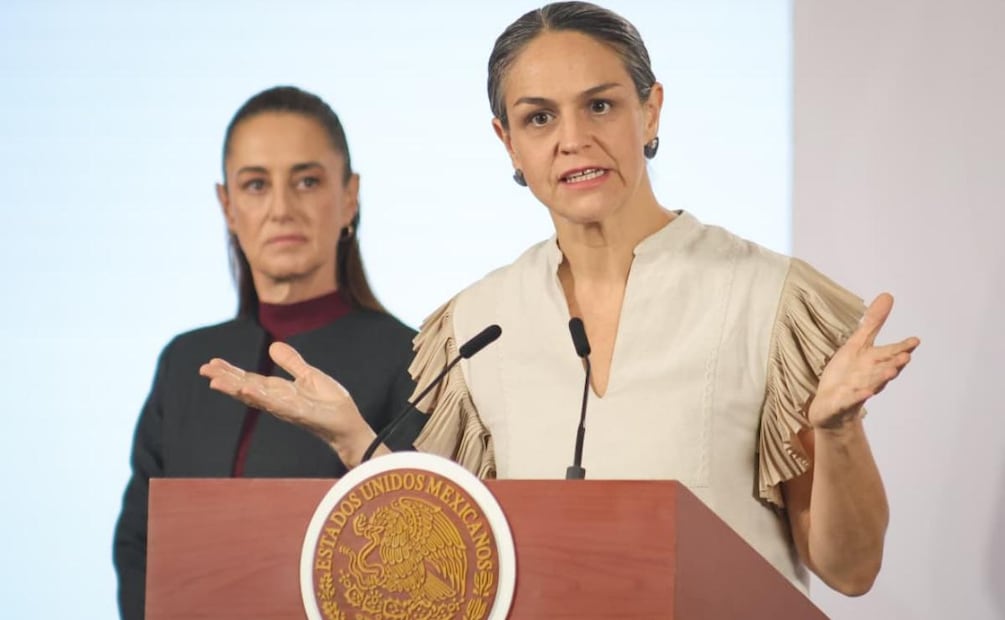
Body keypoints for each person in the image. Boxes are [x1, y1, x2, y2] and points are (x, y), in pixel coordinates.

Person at [201, 3, 919, 597]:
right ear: (507, 142)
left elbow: (850, 570)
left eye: (600, 106)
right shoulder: (475, 325)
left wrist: (836, 431)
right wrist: (354, 440)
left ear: (650, 111)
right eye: (539, 118)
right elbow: (460, 570)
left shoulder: (767, 298)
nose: (573, 140)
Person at [113, 86, 420, 619]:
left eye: (307, 181)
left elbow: (424, 550)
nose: (281, 209)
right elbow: (139, 547)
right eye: (256, 185)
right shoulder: (184, 362)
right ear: (227, 206)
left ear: (349, 196)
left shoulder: (413, 360)